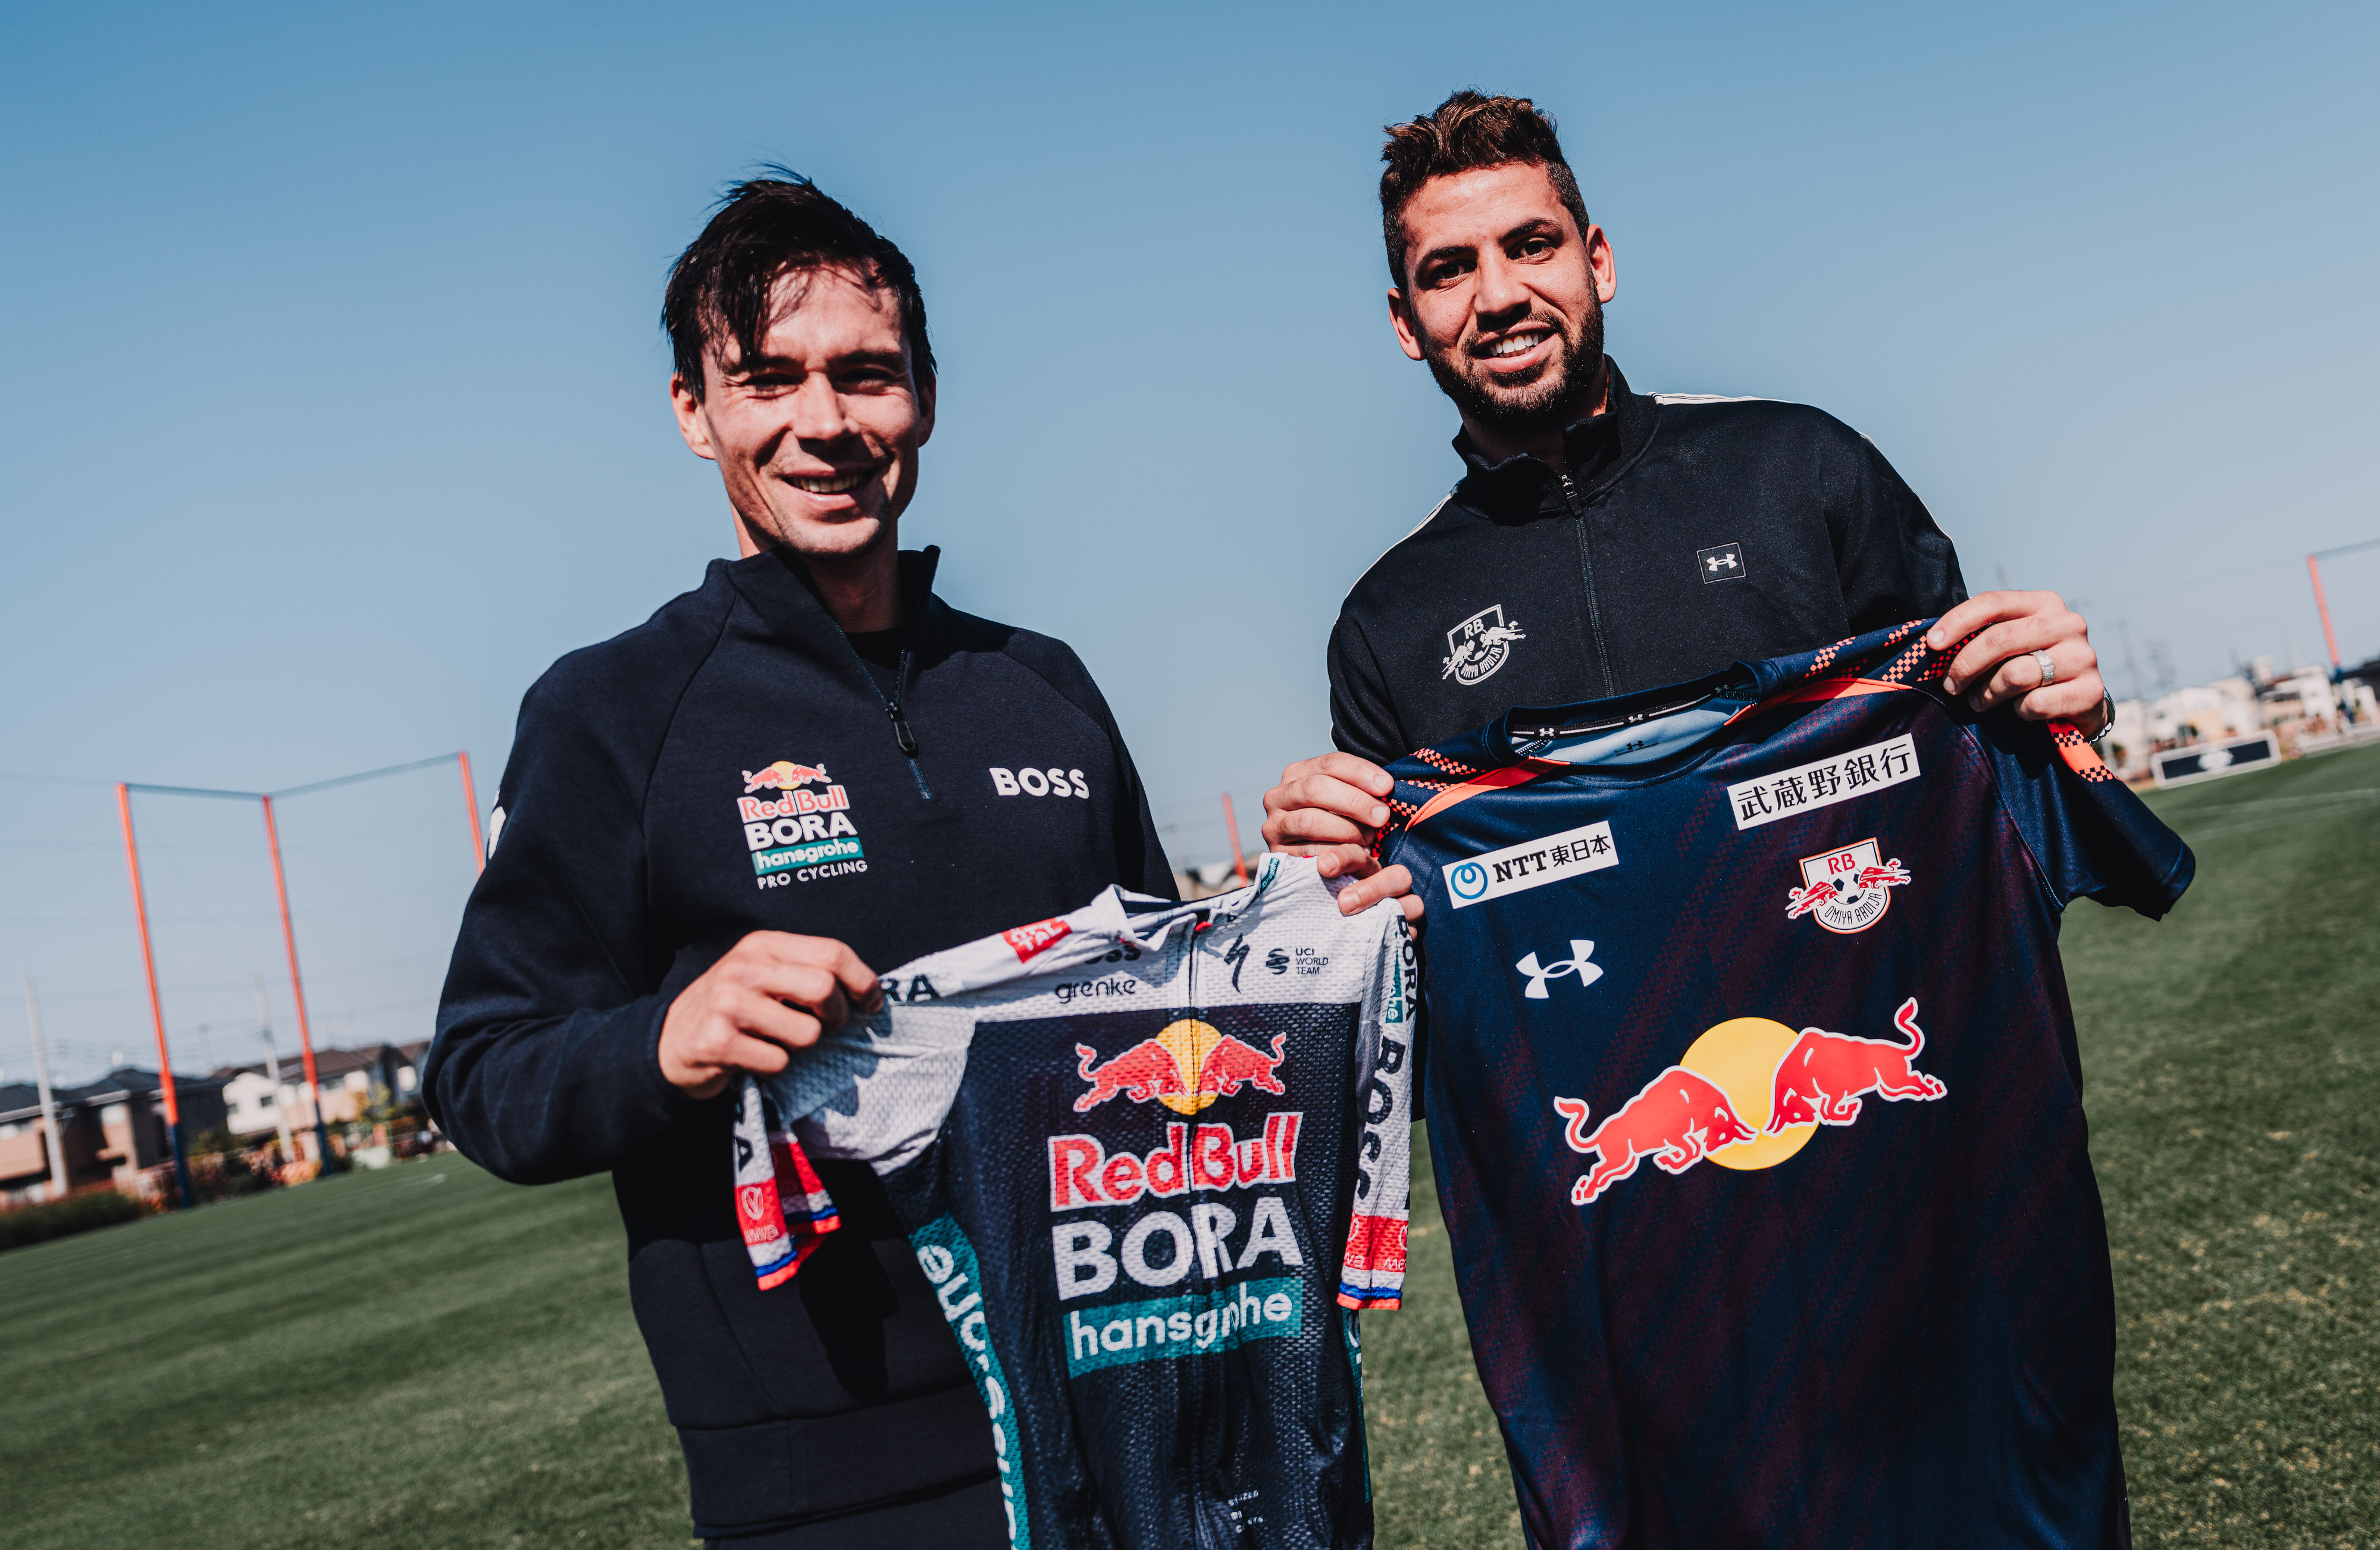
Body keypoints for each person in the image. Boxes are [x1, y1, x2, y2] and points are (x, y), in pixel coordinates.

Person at [422, 175, 1173, 1549]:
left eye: (864, 373)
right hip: (833, 1484)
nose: (822, 422)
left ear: (924, 398)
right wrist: (666, 1039)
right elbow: (482, 1075)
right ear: (692, 410)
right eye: (766, 379)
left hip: (1130, 1401)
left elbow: (1168, 1015)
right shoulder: (612, 713)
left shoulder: (1044, 687)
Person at [1263, 92, 2113, 907]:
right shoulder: (1384, 622)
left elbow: (1986, 759)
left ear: (1598, 262)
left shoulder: (1803, 464)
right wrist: (1321, 875)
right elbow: (1390, 931)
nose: (1500, 296)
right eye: (1449, 270)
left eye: (1531, 245)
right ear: (1406, 322)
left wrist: (2066, 701)